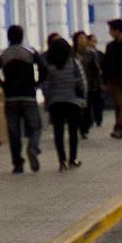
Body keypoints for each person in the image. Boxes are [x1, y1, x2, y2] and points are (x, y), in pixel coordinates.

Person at [0, 25, 45, 173]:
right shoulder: (30, 52)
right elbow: (43, 68)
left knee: (14, 132)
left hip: (11, 97)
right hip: (28, 95)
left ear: (8, 37)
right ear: (22, 36)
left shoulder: (2, 54)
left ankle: (18, 163)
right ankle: (33, 147)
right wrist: (36, 83)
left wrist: (4, 85)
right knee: (35, 126)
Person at [42, 33, 87, 169]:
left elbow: (46, 85)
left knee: (58, 132)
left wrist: (48, 100)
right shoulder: (74, 62)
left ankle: (61, 161)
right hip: (73, 102)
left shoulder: (50, 66)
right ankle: (72, 158)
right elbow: (83, 81)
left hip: (56, 103)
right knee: (73, 131)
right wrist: (83, 98)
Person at [77, 31, 107, 135]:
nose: (82, 40)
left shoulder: (91, 53)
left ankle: (85, 127)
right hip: (75, 85)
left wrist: (99, 82)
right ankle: (80, 125)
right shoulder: (72, 54)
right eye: (80, 38)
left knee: (87, 106)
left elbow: (96, 69)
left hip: (89, 84)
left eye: (84, 38)